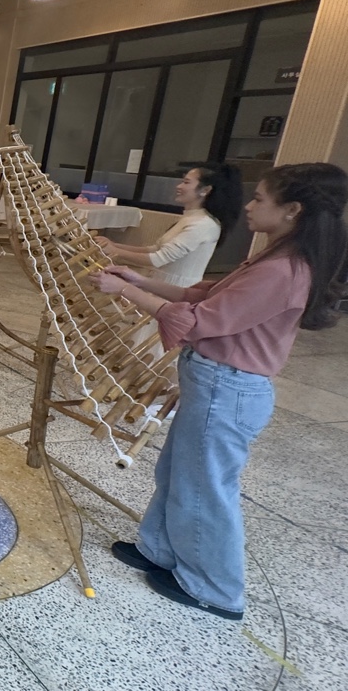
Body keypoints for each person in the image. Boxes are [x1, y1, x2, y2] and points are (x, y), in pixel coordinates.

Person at [91, 162, 347, 620]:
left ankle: (215, 588)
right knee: (178, 471)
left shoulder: (283, 270)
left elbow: (197, 321)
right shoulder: (273, 256)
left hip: (228, 390)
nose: (249, 206)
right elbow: (205, 295)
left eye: (260, 199)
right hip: (213, 383)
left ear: (292, 210)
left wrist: (126, 292)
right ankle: (159, 548)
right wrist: (140, 281)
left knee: (206, 488)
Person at [95, 164, 242, 287]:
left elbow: (158, 259)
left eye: (186, 182)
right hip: (160, 284)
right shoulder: (192, 218)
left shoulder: (203, 224)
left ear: (205, 190)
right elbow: (156, 248)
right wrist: (114, 245)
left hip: (177, 290)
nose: (179, 186)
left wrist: (114, 251)